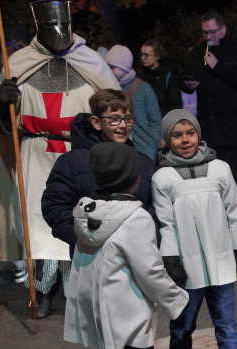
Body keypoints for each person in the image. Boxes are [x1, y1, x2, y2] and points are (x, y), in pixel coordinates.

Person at [0, 0, 120, 308]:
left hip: (79, 153)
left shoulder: (91, 63)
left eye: (63, 27)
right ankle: (43, 291)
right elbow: (1, 128)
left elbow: (114, 112)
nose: (59, 33)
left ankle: (77, 290)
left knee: (80, 221)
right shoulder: (19, 63)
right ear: (39, 29)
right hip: (34, 153)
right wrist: (3, 108)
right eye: (51, 28)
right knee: (37, 222)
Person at [65, 142, 187, 349]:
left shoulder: (87, 210)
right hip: (127, 308)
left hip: (101, 306)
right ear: (134, 179)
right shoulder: (136, 217)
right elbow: (149, 271)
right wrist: (177, 300)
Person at [152, 110, 237, 349]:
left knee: (227, 324)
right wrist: (171, 260)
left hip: (222, 262)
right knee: (182, 324)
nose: (185, 140)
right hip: (186, 266)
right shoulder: (163, 176)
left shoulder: (220, 169)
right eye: (177, 135)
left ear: (199, 134)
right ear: (167, 140)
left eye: (190, 133)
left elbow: (236, 211)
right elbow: (166, 224)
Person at [41, 88, 155, 262]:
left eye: (128, 119)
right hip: (89, 258)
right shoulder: (73, 162)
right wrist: (84, 239)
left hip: (135, 257)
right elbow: (55, 206)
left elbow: (154, 207)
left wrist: (144, 237)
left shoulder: (144, 163)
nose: (123, 125)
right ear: (96, 122)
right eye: (115, 119)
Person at [183, 11, 237, 201]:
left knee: (235, 185)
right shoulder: (196, 53)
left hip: (235, 131)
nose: (209, 36)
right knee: (210, 185)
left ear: (223, 29)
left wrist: (219, 66)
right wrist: (188, 84)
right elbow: (185, 76)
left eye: (213, 32)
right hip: (209, 131)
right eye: (205, 32)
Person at [105, 45, 162, 163]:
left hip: (143, 151)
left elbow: (155, 121)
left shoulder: (143, 89)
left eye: (112, 67)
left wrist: (152, 148)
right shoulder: (107, 88)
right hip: (118, 154)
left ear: (124, 68)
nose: (108, 70)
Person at [139, 39, 182, 117]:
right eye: (141, 54)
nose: (142, 58)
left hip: (164, 123)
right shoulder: (143, 75)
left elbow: (175, 105)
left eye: (146, 55)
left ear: (157, 56)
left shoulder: (168, 77)